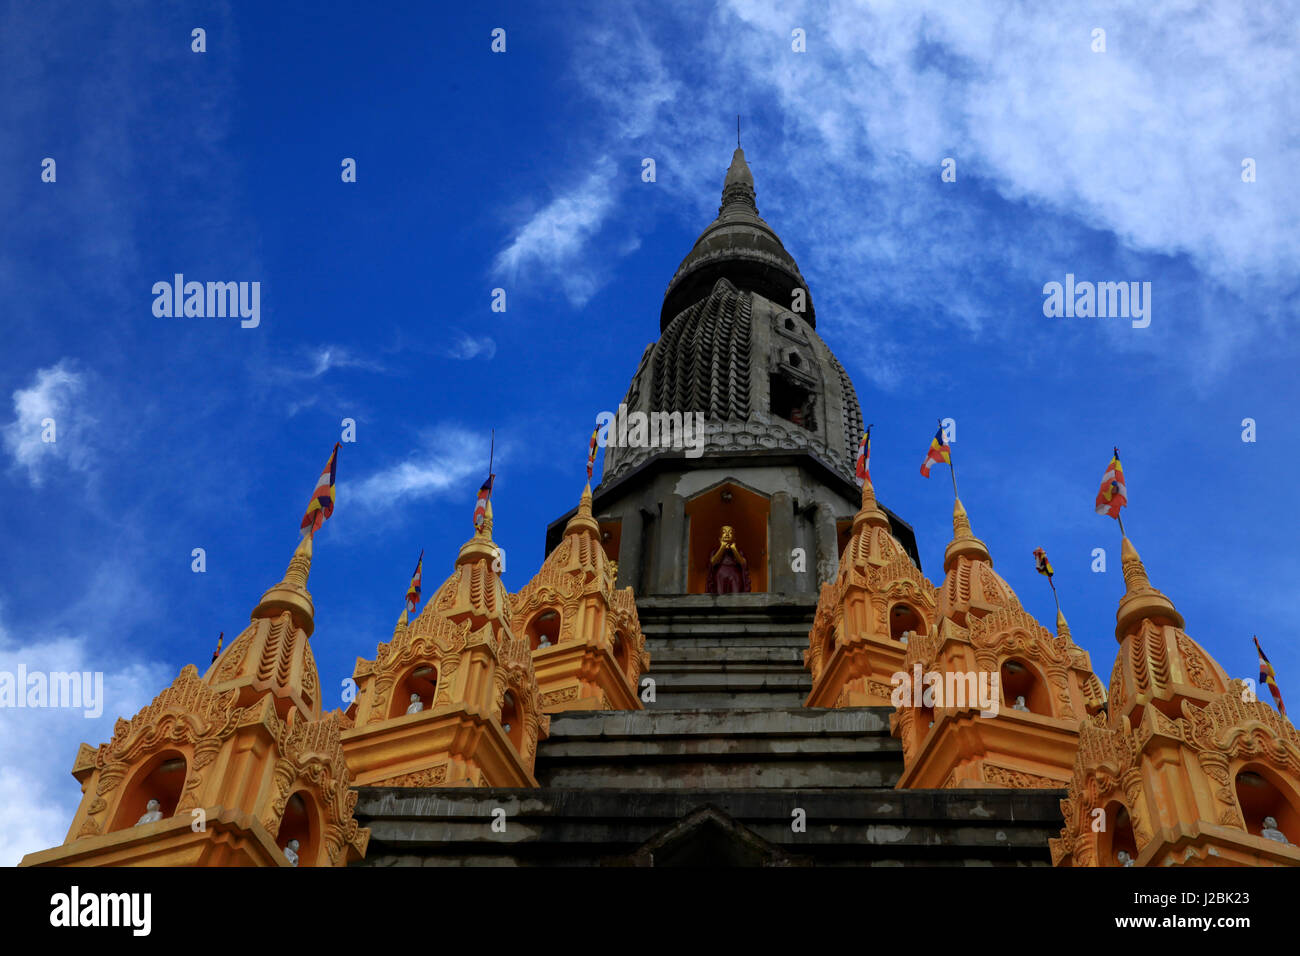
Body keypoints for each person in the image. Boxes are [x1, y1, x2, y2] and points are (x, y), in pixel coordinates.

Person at [706, 525, 751, 594]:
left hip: (734, 575)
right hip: (720, 575)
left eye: (730, 532)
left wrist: (734, 549)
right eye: (724, 532)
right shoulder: (715, 551)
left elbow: (742, 563)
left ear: (734, 538)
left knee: (736, 595)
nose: (727, 534)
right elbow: (713, 562)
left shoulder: (739, 551)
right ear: (720, 538)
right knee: (719, 594)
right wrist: (722, 547)